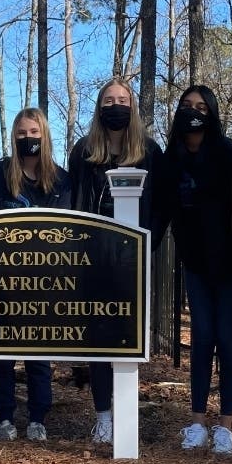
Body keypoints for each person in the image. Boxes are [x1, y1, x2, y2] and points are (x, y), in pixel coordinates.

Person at [67, 77, 164, 445]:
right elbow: (75, 203)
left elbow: (161, 205)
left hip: (133, 257)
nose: (115, 105)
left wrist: (145, 243)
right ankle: (103, 416)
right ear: (99, 106)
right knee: (99, 338)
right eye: (109, 99)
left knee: (128, 335)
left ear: (133, 106)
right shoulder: (83, 151)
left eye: (122, 99)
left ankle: (126, 414)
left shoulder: (150, 152)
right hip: (93, 255)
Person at [154, 85, 232, 455]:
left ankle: (226, 424)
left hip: (230, 264)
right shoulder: (170, 159)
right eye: (187, 106)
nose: (194, 112)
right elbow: (159, 210)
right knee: (202, 339)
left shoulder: (229, 153)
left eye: (202, 107)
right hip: (195, 264)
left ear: (213, 113)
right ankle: (197, 421)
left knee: (229, 341)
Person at [0, 108, 72, 443]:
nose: (27, 139)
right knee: (2, 354)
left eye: (33, 132)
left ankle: (38, 418)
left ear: (44, 135)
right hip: (4, 280)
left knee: (39, 353)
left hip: (46, 282)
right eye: (21, 134)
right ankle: (4, 418)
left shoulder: (62, 180)